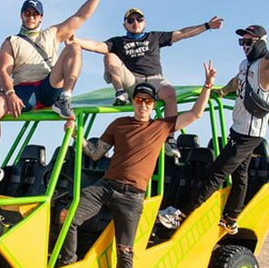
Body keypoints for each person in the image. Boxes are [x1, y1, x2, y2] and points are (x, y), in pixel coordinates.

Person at [60, 62, 217, 268]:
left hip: (132, 196)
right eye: (139, 100)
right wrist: (77, 135)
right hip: (106, 187)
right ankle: (68, 266)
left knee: (125, 249)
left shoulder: (161, 127)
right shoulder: (119, 124)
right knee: (67, 216)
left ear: (153, 106)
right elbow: (96, 153)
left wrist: (207, 87)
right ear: (133, 102)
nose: (143, 105)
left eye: (148, 101)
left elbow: (196, 115)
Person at [0, 0, 119, 197]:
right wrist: (10, 93)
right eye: (27, 13)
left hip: (49, 86)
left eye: (35, 13)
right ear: (21, 16)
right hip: (24, 89)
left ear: (41, 17)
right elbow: (4, 69)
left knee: (74, 45)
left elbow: (81, 17)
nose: (31, 17)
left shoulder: (53, 33)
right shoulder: (11, 41)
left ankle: (66, 98)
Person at [179, 0, 269, 234]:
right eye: (241, 41)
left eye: (248, 41)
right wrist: (222, 91)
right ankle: (232, 218)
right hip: (238, 128)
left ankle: (182, 214)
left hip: (250, 134)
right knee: (241, 175)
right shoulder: (247, 65)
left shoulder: (267, 65)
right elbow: (238, 81)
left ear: (260, 42)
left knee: (216, 173)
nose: (243, 45)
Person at [70, 8, 224, 157]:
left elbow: (182, 33)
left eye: (139, 19)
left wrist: (207, 26)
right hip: (133, 81)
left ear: (144, 22)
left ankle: (170, 140)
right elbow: (97, 46)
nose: (135, 23)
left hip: (154, 79)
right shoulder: (118, 41)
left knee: (170, 93)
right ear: (125, 25)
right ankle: (120, 93)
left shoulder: (154, 37)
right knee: (109, 56)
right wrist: (75, 40)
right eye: (130, 21)